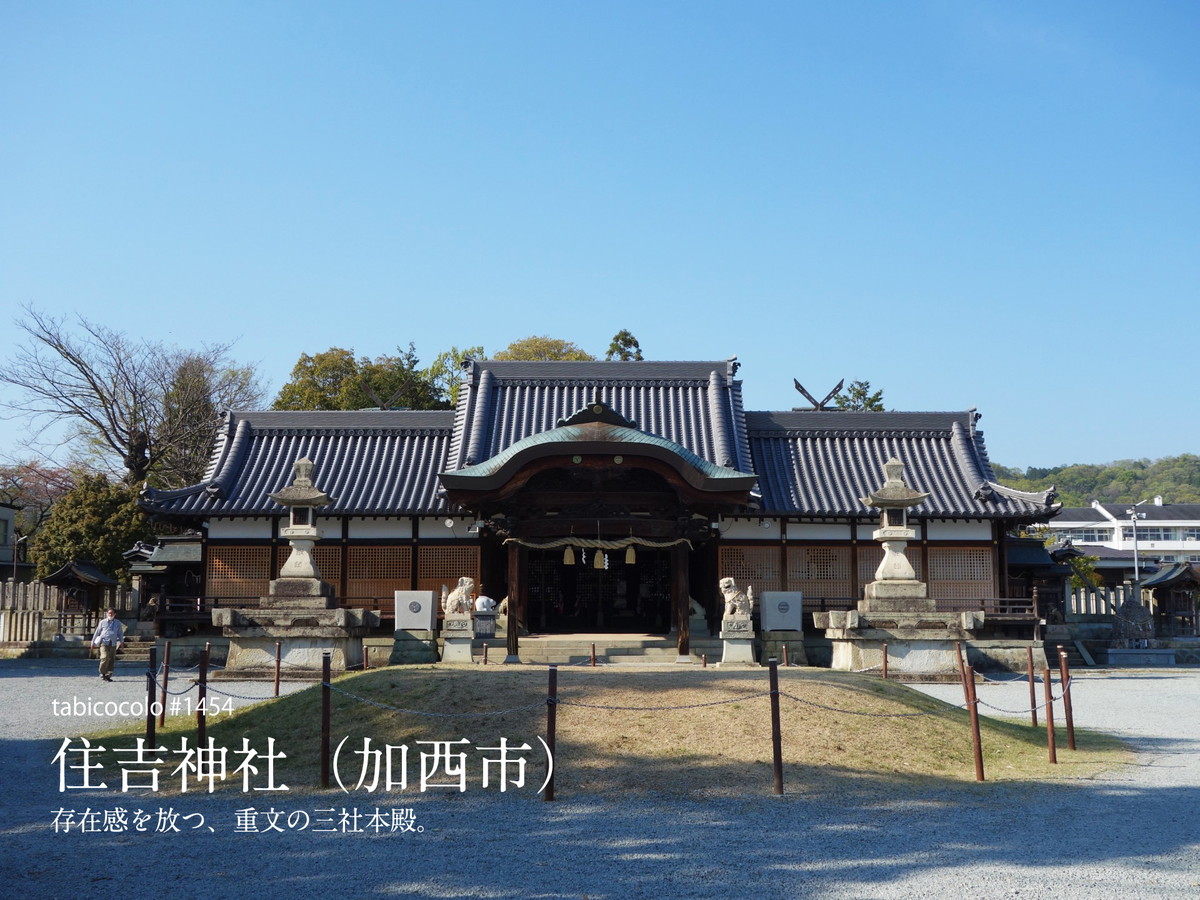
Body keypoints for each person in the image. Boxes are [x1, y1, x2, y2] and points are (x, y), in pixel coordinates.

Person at [91, 607, 125, 682]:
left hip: (113, 643)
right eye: (109, 613)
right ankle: (102, 672)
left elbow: (120, 633)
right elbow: (97, 632)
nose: (110, 614)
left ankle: (108, 674)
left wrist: (122, 642)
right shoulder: (102, 622)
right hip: (104, 642)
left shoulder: (117, 623)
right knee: (105, 657)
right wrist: (92, 642)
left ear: (114, 614)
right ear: (107, 614)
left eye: (112, 613)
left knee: (111, 659)